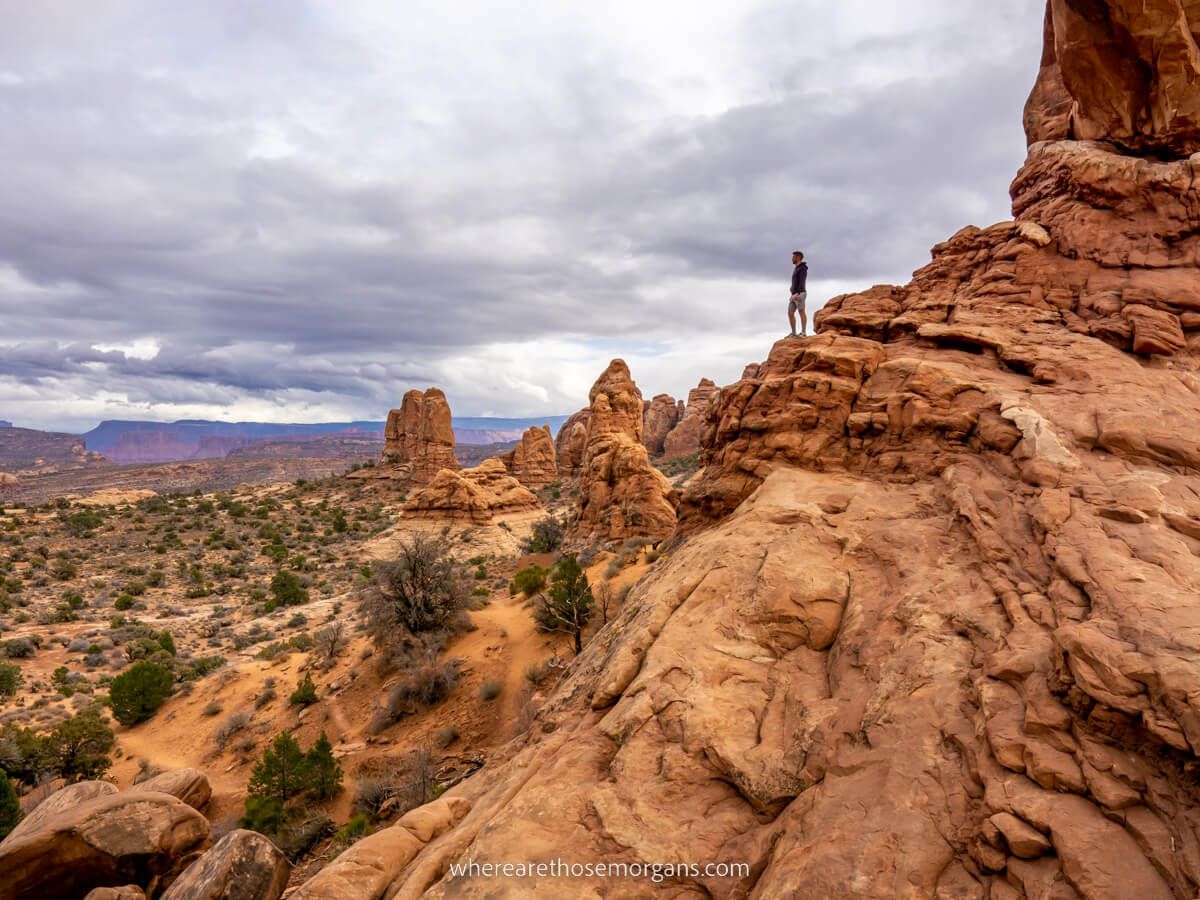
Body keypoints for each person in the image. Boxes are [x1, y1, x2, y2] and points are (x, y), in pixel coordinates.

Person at [788, 250, 808, 337]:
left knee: (801, 311)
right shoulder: (796, 268)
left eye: (793, 257)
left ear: (798, 257)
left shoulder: (803, 268)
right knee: (790, 312)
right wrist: (792, 290)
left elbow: (802, 281)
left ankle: (803, 332)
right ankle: (794, 333)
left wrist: (798, 294)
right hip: (794, 294)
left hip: (800, 293)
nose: (792, 258)